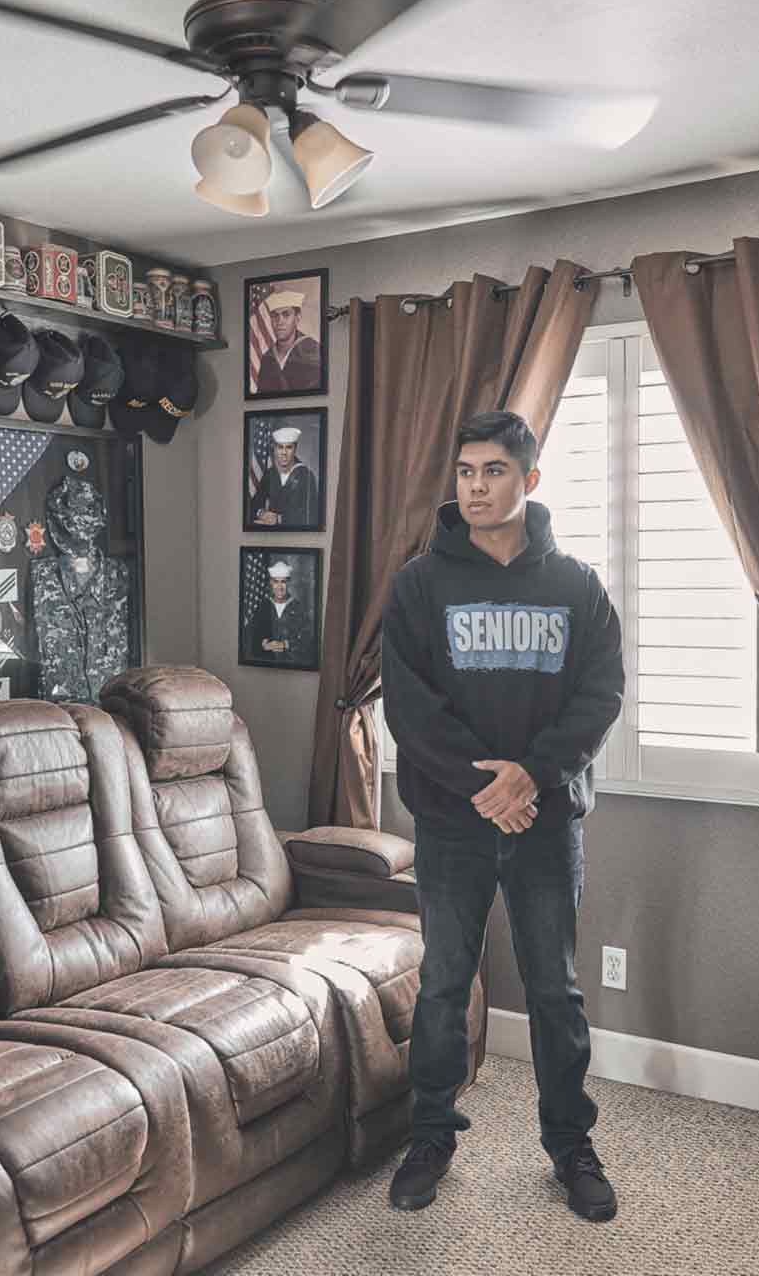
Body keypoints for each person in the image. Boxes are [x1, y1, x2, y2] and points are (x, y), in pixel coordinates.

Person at [382, 410, 625, 1221]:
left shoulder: (576, 585)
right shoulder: (419, 585)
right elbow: (411, 708)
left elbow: (600, 694)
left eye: (493, 471)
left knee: (556, 991)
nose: (476, 487)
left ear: (530, 479)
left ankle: (570, 1146)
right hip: (453, 826)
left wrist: (531, 777)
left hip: (546, 824)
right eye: (465, 472)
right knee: (443, 985)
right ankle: (430, 1138)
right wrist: (485, 788)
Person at [246, 557, 316, 664]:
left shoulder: (298, 608)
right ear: (271, 583)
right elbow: (251, 637)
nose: (279, 587)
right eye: (276, 582)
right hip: (265, 664)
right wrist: (263, 644)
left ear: (288, 583)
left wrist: (285, 645)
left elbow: (307, 641)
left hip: (291, 665)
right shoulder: (263, 607)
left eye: (283, 582)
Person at [254, 289, 322, 394]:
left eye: (286, 315)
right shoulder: (267, 358)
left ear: (297, 318)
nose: (279, 322)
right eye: (275, 316)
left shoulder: (313, 350)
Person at [252, 425, 320, 527]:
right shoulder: (270, 474)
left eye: (289, 447)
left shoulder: (306, 476)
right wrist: (261, 513)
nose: (284, 453)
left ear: (295, 449)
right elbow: (254, 504)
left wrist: (279, 519)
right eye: (280, 447)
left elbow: (311, 515)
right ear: (275, 449)